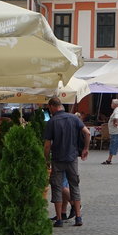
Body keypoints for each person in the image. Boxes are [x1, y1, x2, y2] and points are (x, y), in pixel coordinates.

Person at [43, 96, 90, 227]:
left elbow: (47, 145)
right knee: (74, 186)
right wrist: (85, 149)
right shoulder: (74, 118)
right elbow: (87, 133)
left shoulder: (52, 121)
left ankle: (59, 219)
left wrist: (45, 160)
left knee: (57, 188)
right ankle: (78, 218)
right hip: (72, 158)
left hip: (58, 159)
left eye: (49, 108)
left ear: (52, 106)